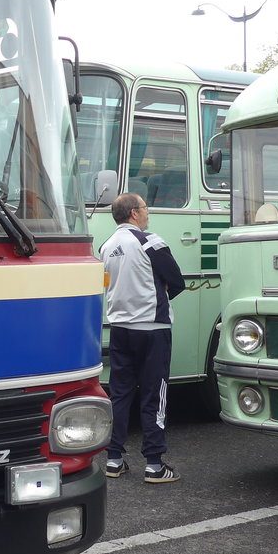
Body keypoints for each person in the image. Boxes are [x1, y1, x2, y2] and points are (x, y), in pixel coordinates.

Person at [99, 193, 185, 483]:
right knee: (154, 394)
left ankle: (113, 459)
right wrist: (160, 292)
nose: (148, 213)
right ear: (134, 213)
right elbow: (177, 281)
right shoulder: (150, 241)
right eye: (145, 208)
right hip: (152, 328)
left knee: (120, 393)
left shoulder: (106, 246)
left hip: (120, 328)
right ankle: (154, 465)